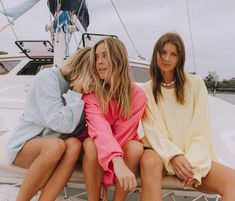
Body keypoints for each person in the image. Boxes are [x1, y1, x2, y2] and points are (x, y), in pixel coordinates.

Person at [140, 32, 235, 201]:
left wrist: (191, 165)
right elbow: (153, 130)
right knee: (149, 160)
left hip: (193, 159)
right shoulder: (146, 90)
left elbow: (201, 129)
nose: (166, 58)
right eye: (163, 52)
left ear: (180, 58)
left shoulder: (195, 84)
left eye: (173, 54)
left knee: (233, 182)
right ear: (156, 54)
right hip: (161, 155)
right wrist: (174, 156)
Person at [7, 47, 93, 201]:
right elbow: (61, 124)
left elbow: (76, 130)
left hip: (56, 144)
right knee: (55, 146)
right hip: (26, 144)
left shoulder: (86, 90)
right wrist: (77, 92)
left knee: (74, 145)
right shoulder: (48, 77)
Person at [82, 37, 147, 201]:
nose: (99, 62)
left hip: (121, 148)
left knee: (135, 147)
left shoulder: (137, 95)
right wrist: (109, 167)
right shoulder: (91, 94)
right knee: (91, 144)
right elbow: (99, 130)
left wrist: (105, 171)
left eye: (105, 55)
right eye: (97, 57)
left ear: (118, 59)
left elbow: (123, 134)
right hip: (99, 150)